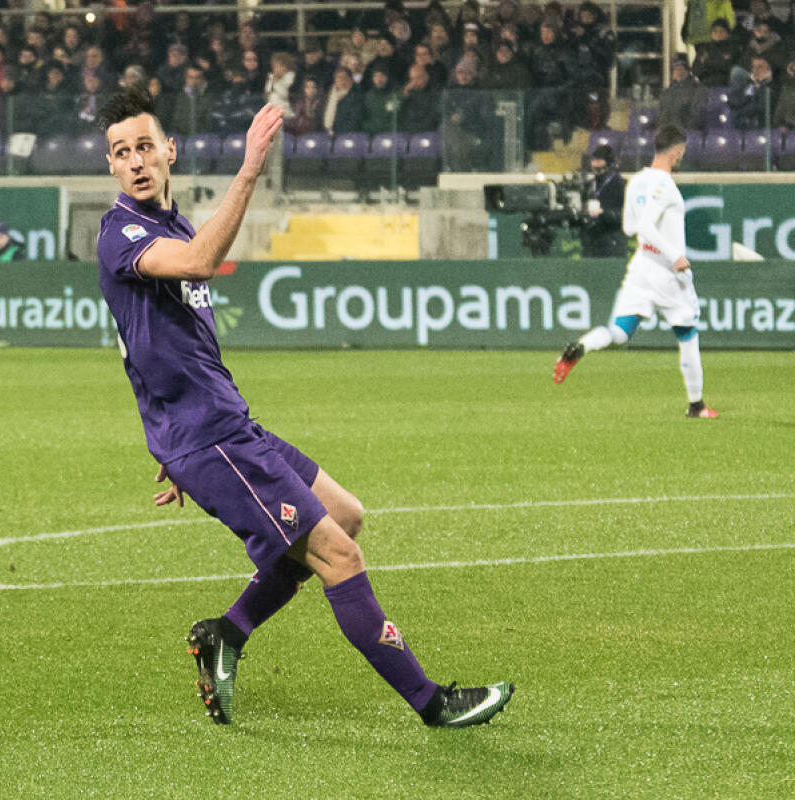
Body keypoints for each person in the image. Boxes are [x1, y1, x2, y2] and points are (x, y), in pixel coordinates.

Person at [94, 86, 515, 728]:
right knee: (337, 559)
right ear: (112, 167)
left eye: (145, 146)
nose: (136, 161)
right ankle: (432, 702)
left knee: (346, 518)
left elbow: (161, 346)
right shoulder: (122, 232)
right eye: (122, 153)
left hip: (221, 427)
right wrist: (249, 169)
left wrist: (173, 436)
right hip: (209, 440)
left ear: (169, 151)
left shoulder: (173, 224)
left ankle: (227, 634)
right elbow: (203, 263)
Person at [554, 125, 718, 420]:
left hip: (641, 266)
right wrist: (675, 255)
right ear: (677, 152)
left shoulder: (636, 181)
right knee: (687, 335)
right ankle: (697, 406)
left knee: (618, 332)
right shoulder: (665, 185)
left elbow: (630, 227)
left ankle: (581, 345)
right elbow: (644, 226)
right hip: (667, 272)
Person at [580, 144, 627, 258]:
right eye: (594, 161)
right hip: (591, 242)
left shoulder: (621, 185)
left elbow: (626, 215)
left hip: (612, 242)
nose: (595, 165)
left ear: (610, 164)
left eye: (599, 161)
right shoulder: (589, 185)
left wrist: (604, 213)